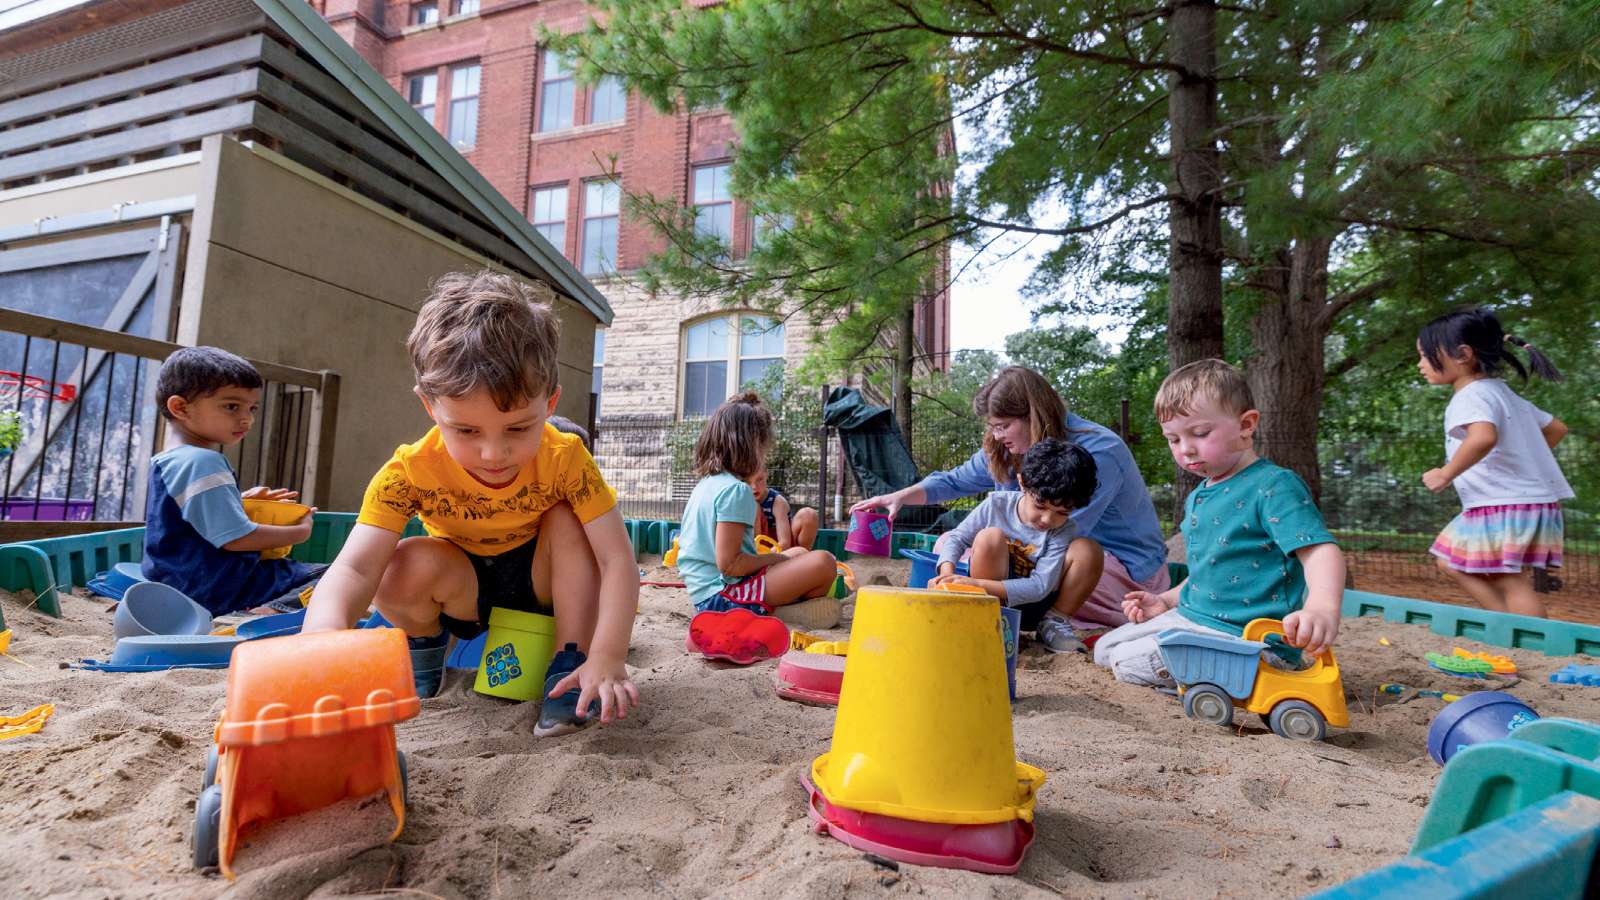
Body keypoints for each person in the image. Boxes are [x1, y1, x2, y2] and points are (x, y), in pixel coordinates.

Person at [302, 271, 638, 738]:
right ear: (430, 407)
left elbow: (617, 557)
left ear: (550, 401)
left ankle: (569, 662)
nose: (493, 455)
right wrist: (320, 638)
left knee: (567, 517)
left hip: (547, 585)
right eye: (466, 431)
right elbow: (356, 570)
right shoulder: (408, 472)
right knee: (399, 564)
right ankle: (424, 646)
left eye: (519, 429)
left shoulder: (566, 458)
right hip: (465, 591)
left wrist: (609, 654)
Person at [852, 366, 1167, 648]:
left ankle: (1052, 620)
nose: (996, 435)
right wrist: (901, 497)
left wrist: (978, 578)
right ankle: (994, 618)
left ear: (1033, 416)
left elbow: (1055, 538)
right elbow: (954, 481)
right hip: (1031, 555)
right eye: (992, 426)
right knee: (950, 543)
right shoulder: (1007, 451)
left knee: (1071, 551)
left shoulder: (1097, 453)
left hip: (1109, 568)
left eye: (1002, 425)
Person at [1094, 359, 1343, 687]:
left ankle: (1258, 672)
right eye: (1173, 439)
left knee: (1128, 663)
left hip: (1247, 636)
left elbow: (1320, 551)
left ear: (1246, 425)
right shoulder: (1199, 496)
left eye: (1200, 433)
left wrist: (1322, 607)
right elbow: (1208, 570)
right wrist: (1165, 602)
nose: (1186, 449)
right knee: (1104, 648)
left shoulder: (1273, 485)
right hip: (1193, 618)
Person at [142, 347, 325, 615]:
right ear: (180, 407)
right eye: (231, 406)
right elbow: (237, 539)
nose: (247, 419)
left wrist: (238, 502)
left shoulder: (167, 460)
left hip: (174, 584)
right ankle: (260, 614)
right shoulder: (203, 461)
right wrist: (300, 532)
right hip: (215, 588)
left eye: (252, 408)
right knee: (332, 576)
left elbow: (183, 519)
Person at [1417, 308, 1572, 618]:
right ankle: (1507, 623)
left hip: (1504, 504)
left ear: (1462, 354)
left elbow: (1483, 437)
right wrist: (1521, 460)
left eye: (1425, 356)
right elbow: (1556, 428)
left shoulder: (1470, 395)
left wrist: (1446, 473)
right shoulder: (1501, 393)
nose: (1420, 365)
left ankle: (1529, 640)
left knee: (1508, 578)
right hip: (1510, 503)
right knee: (1450, 559)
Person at [677, 392, 841, 629]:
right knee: (824, 562)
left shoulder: (708, 484)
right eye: (763, 447)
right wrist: (776, 558)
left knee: (797, 553)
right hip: (724, 598)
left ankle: (780, 607)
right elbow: (730, 565)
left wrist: (782, 558)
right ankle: (783, 614)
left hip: (707, 594)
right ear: (751, 445)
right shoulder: (736, 491)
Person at [929, 439, 1099, 651]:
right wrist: (947, 575)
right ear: (1022, 483)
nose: (1047, 519)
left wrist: (975, 584)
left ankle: (1053, 624)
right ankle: (989, 619)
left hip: (1036, 605)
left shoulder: (1063, 529)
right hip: (993, 600)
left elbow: (1040, 586)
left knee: (1088, 550)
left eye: (1062, 513)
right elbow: (957, 538)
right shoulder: (996, 505)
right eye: (1040, 505)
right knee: (989, 537)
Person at [750, 466, 817, 551]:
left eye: (759, 479)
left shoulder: (777, 501)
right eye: (748, 482)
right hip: (757, 546)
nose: (754, 487)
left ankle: (801, 556)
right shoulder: (742, 498)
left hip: (780, 549)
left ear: (766, 475)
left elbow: (784, 542)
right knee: (754, 505)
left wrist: (767, 556)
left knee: (808, 515)